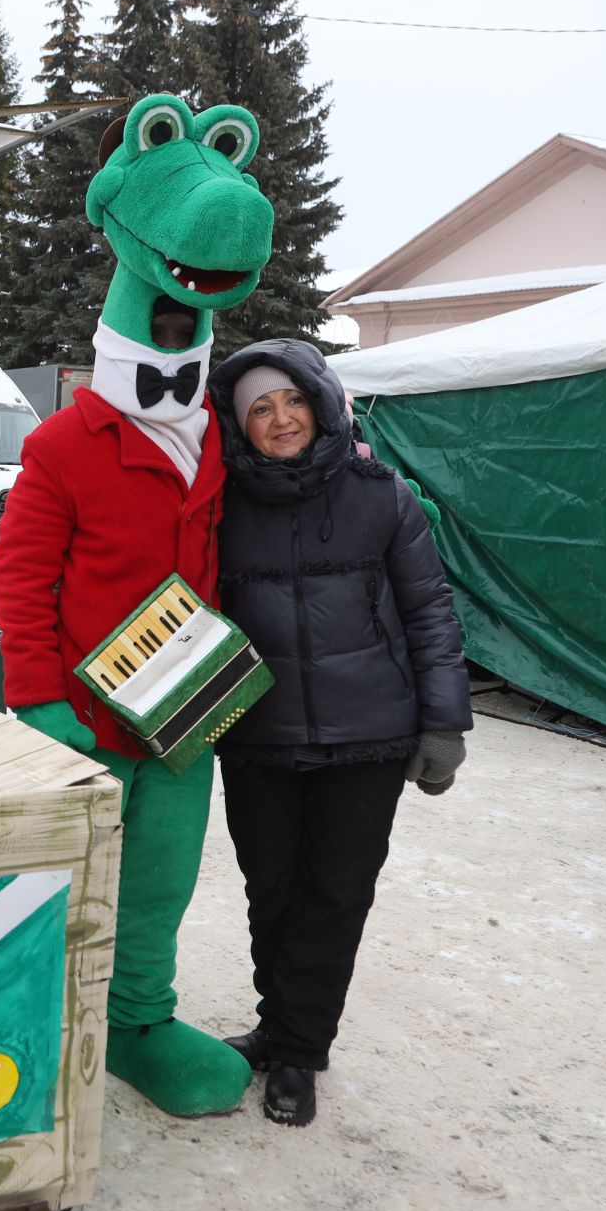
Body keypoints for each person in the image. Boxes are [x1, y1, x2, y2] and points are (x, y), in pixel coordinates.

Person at [205, 339, 471, 1126]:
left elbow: (430, 613)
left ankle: (297, 1051)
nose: (280, 419)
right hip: (259, 733)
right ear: (239, 422)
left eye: (292, 401)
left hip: (369, 737)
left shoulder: (381, 494)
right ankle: (276, 1021)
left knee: (335, 896)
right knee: (272, 892)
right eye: (261, 407)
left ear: (320, 403)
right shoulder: (220, 501)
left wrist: (445, 723)